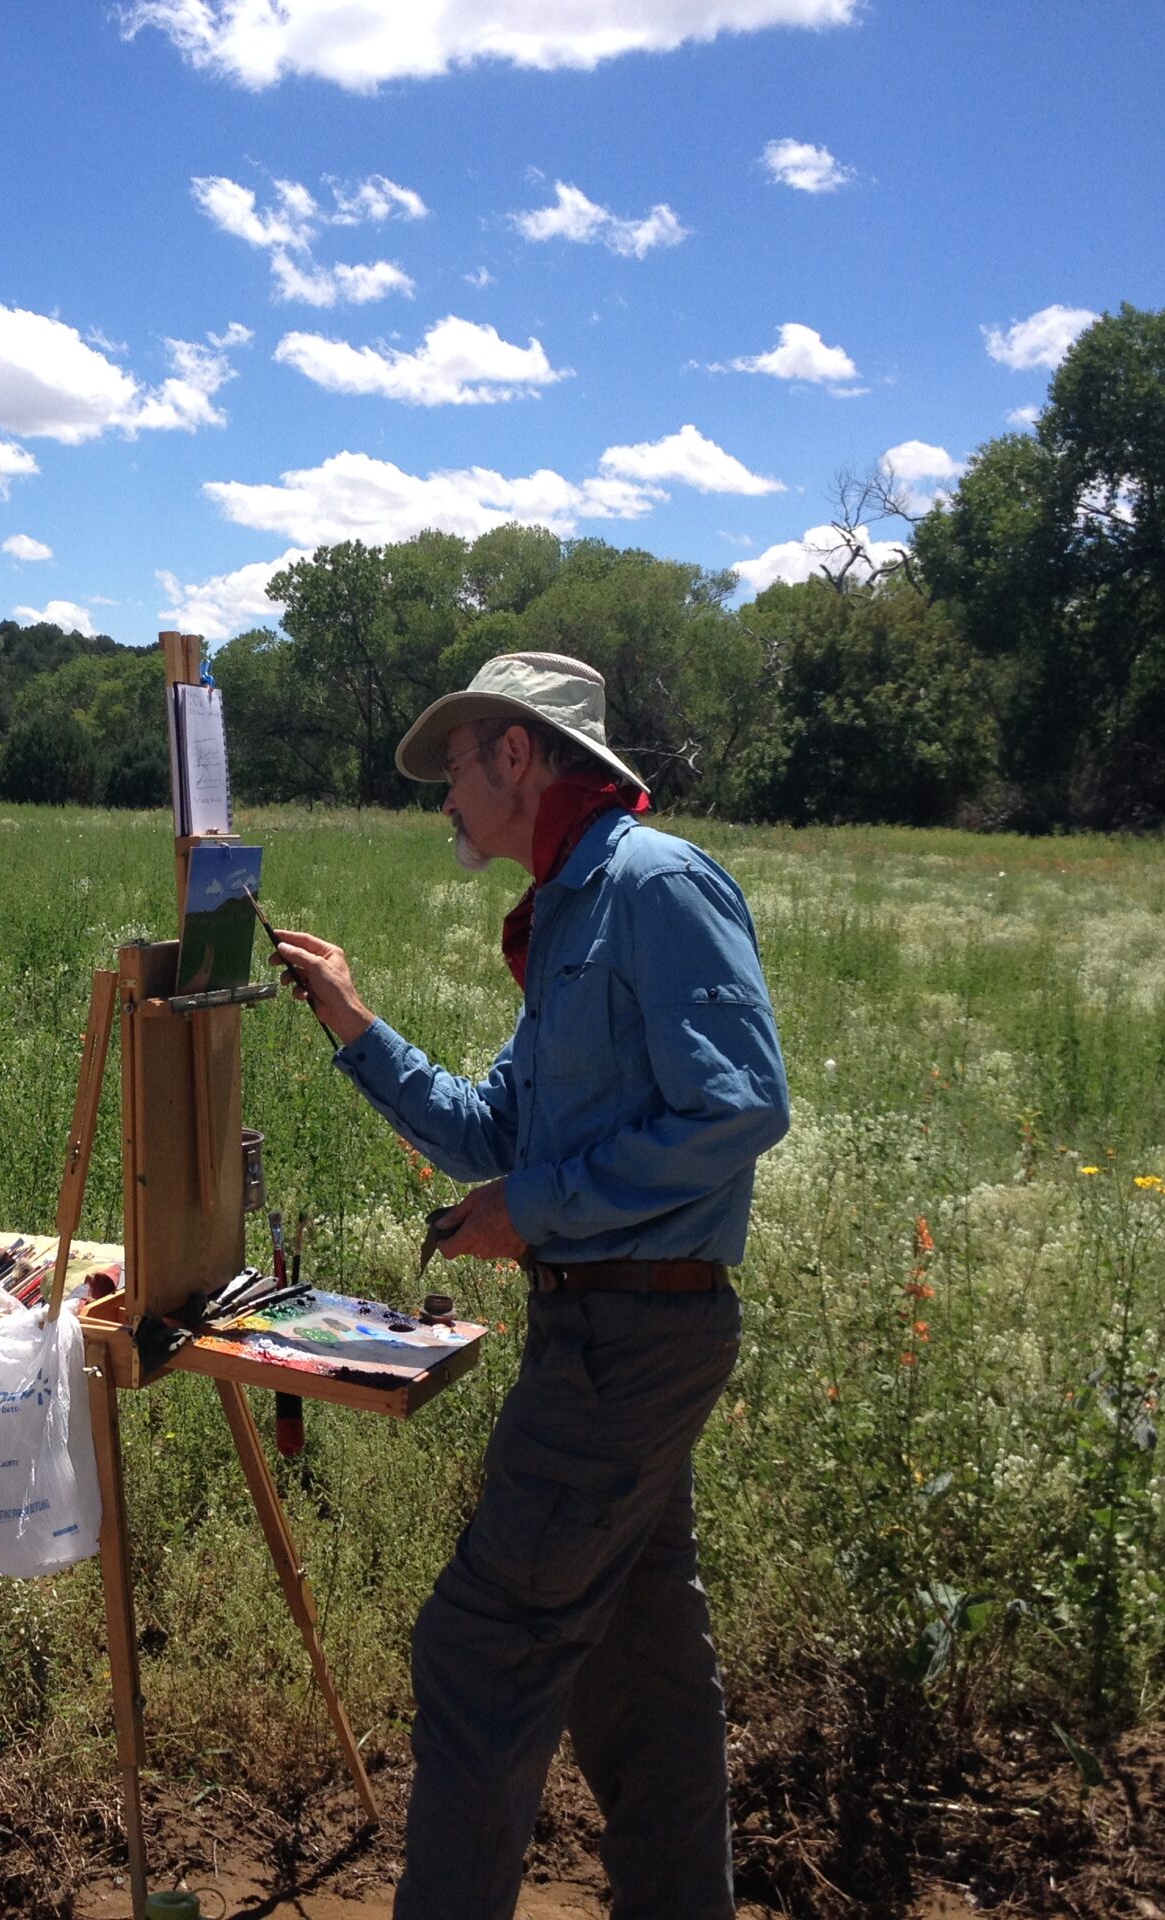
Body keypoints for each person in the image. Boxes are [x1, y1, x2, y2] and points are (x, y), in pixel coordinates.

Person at [271, 651, 789, 1920]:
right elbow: (490, 1130)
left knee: (478, 1647)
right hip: (608, 1331)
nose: (441, 799)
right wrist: (350, 1020)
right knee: (638, 1670)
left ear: (515, 755)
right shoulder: (569, 905)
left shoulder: (654, 886)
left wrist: (538, 1214)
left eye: (452, 766)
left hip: (632, 1334)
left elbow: (738, 1108)